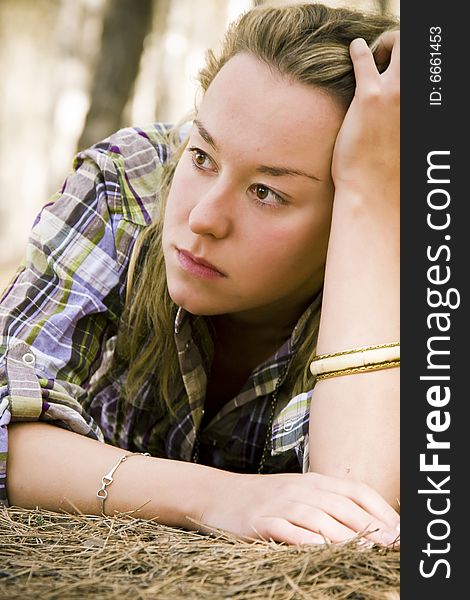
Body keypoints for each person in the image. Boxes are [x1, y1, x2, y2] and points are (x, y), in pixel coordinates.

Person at [0, 2, 400, 547]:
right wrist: (220, 496)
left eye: (267, 192)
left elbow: (361, 509)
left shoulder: (398, 259)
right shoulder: (127, 188)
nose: (202, 217)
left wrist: (371, 204)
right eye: (203, 156)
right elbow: (7, 420)